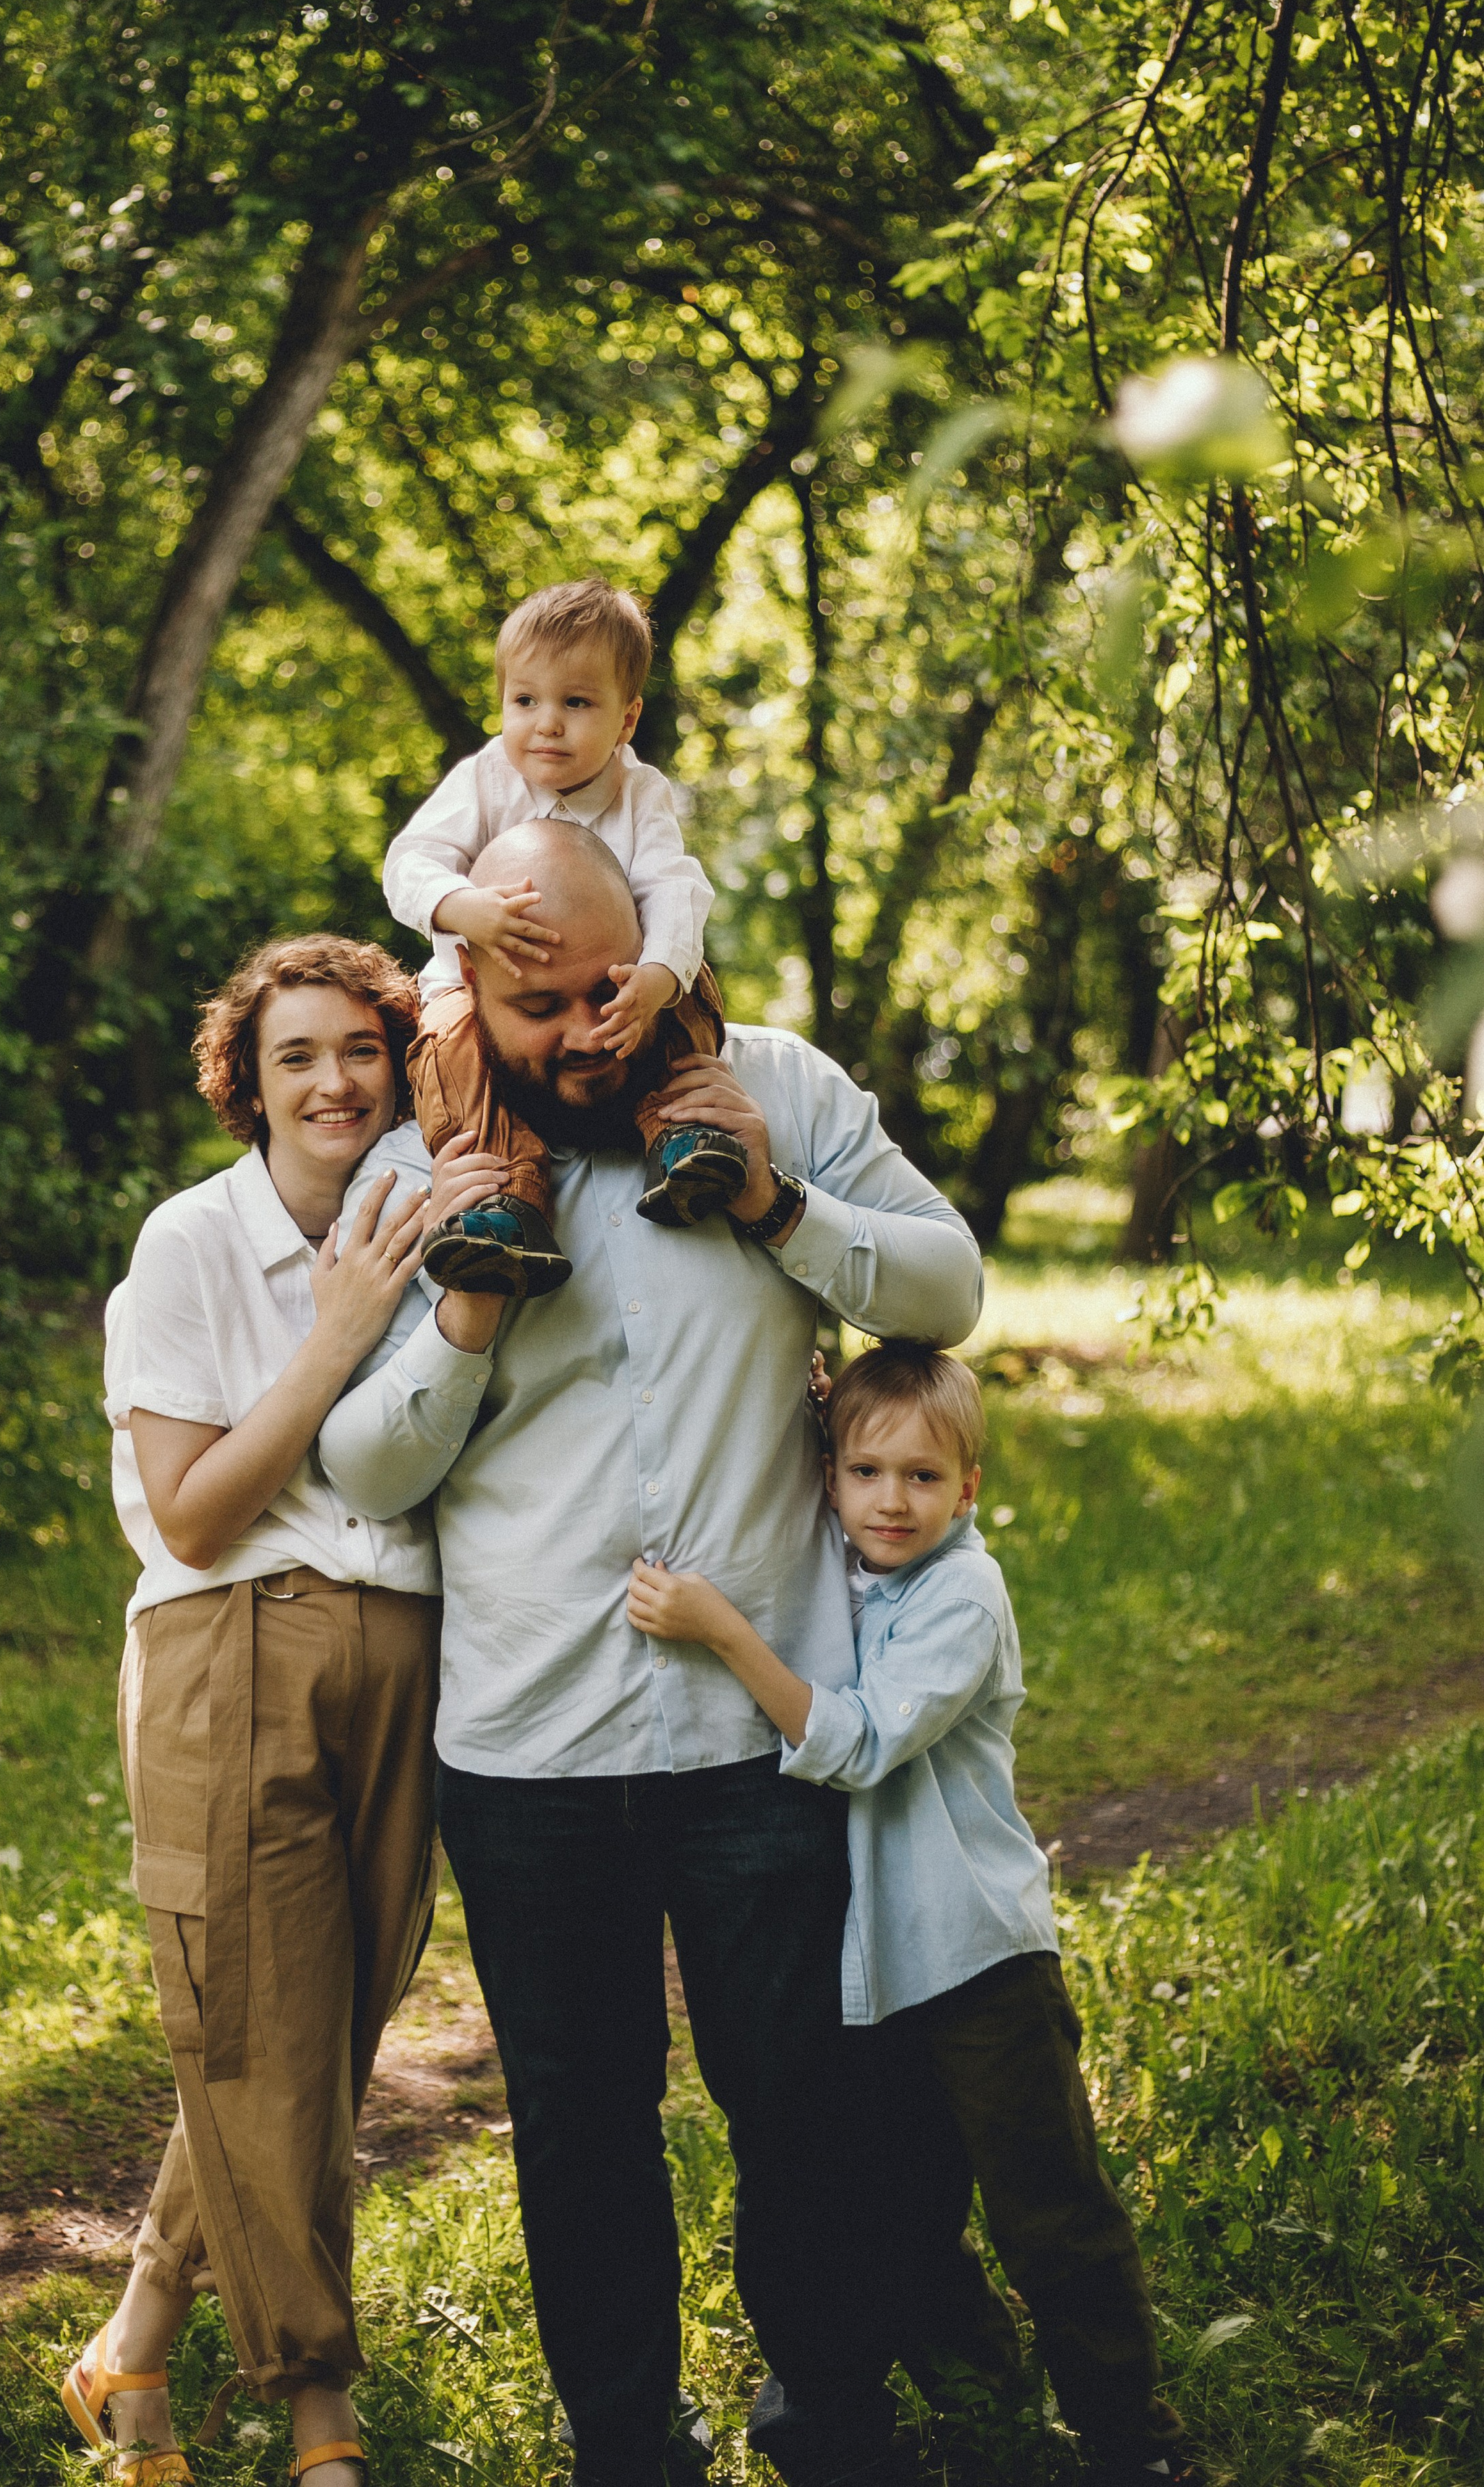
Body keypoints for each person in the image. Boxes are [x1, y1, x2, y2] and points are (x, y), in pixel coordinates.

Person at [319, 818, 992, 2487]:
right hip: (530, 1750)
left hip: (756, 1732)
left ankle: (828, 2422)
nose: (574, 1032)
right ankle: (625, 2442)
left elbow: (946, 1280)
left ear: (654, 960)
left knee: (802, 2101)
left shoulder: (779, 1086)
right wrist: (466, 1317)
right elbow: (366, 1466)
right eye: (530, 1000)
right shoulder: (423, 1154)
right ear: (467, 984)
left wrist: (773, 1198)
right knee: (579, 2129)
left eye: (603, 987)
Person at [65, 934, 500, 2487]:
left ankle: (129, 2342)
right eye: (295, 1056)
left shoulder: (425, 1210)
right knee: (259, 2034)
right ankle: (321, 2418)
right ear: (244, 1087)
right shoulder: (189, 1245)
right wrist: (328, 1342)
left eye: (361, 1051)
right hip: (230, 1646)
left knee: (307, 2046)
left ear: (399, 1068)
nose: (332, 1080)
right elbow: (187, 1516)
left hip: (407, 1657)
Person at [626, 1341, 1201, 2487]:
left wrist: (723, 1630)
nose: (894, 1499)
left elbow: (859, 1742)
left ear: (970, 1488)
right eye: (867, 1472)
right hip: (877, 1973)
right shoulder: (850, 1573)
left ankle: (1136, 2443)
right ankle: (984, 2393)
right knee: (904, 2203)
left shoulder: (961, 1595)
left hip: (980, 1963)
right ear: (829, 1479)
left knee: (1050, 2213)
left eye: (925, 1478)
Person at [382, 577, 743, 1301]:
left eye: (576, 703)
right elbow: (407, 861)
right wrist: (461, 906)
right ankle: (504, 1198)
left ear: (626, 718)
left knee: (690, 992)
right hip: (490, 991)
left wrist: (657, 976)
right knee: (447, 1048)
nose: (546, 724)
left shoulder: (639, 794)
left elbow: (675, 889)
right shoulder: (485, 779)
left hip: (614, 991)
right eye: (526, 701)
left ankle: (676, 1137)